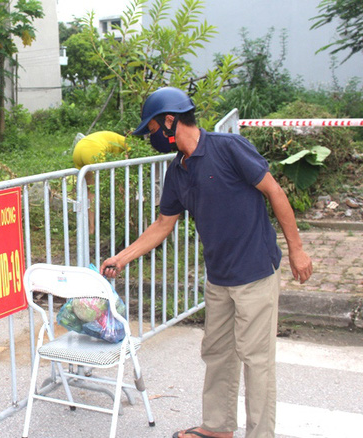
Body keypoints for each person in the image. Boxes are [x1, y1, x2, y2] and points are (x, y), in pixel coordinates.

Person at [99, 88, 312, 438]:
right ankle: (218, 427)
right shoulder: (178, 170)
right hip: (219, 277)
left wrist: (297, 249)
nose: (152, 137)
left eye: (152, 129)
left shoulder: (228, 148)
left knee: (255, 360)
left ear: (170, 121)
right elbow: (163, 224)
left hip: (255, 272)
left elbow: (274, 191)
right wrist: (121, 258)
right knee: (218, 353)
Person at [72, 131, 128, 234]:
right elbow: (131, 157)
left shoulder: (113, 137)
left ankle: (91, 228)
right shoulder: (127, 142)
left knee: (91, 190)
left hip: (78, 149)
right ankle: (124, 220)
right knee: (118, 185)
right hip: (93, 149)